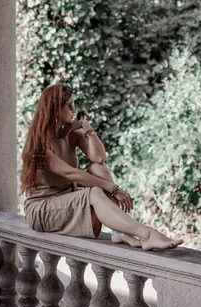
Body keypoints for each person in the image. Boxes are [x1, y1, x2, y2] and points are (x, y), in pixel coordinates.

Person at [21, 83, 184, 250]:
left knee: (99, 169)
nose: (74, 110)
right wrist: (113, 188)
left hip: (68, 198)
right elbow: (70, 174)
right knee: (96, 192)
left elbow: (99, 158)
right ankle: (147, 234)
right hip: (42, 208)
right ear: (55, 110)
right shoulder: (39, 145)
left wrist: (86, 127)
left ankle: (119, 232)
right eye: (69, 106)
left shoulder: (71, 135)